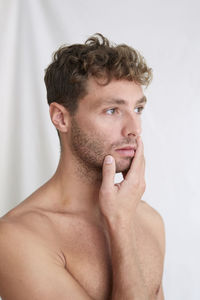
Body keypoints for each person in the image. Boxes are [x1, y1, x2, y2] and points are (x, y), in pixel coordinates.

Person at [0, 33, 165, 300]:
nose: (134, 130)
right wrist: (120, 223)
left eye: (138, 109)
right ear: (61, 118)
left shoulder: (150, 221)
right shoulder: (17, 238)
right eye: (112, 110)